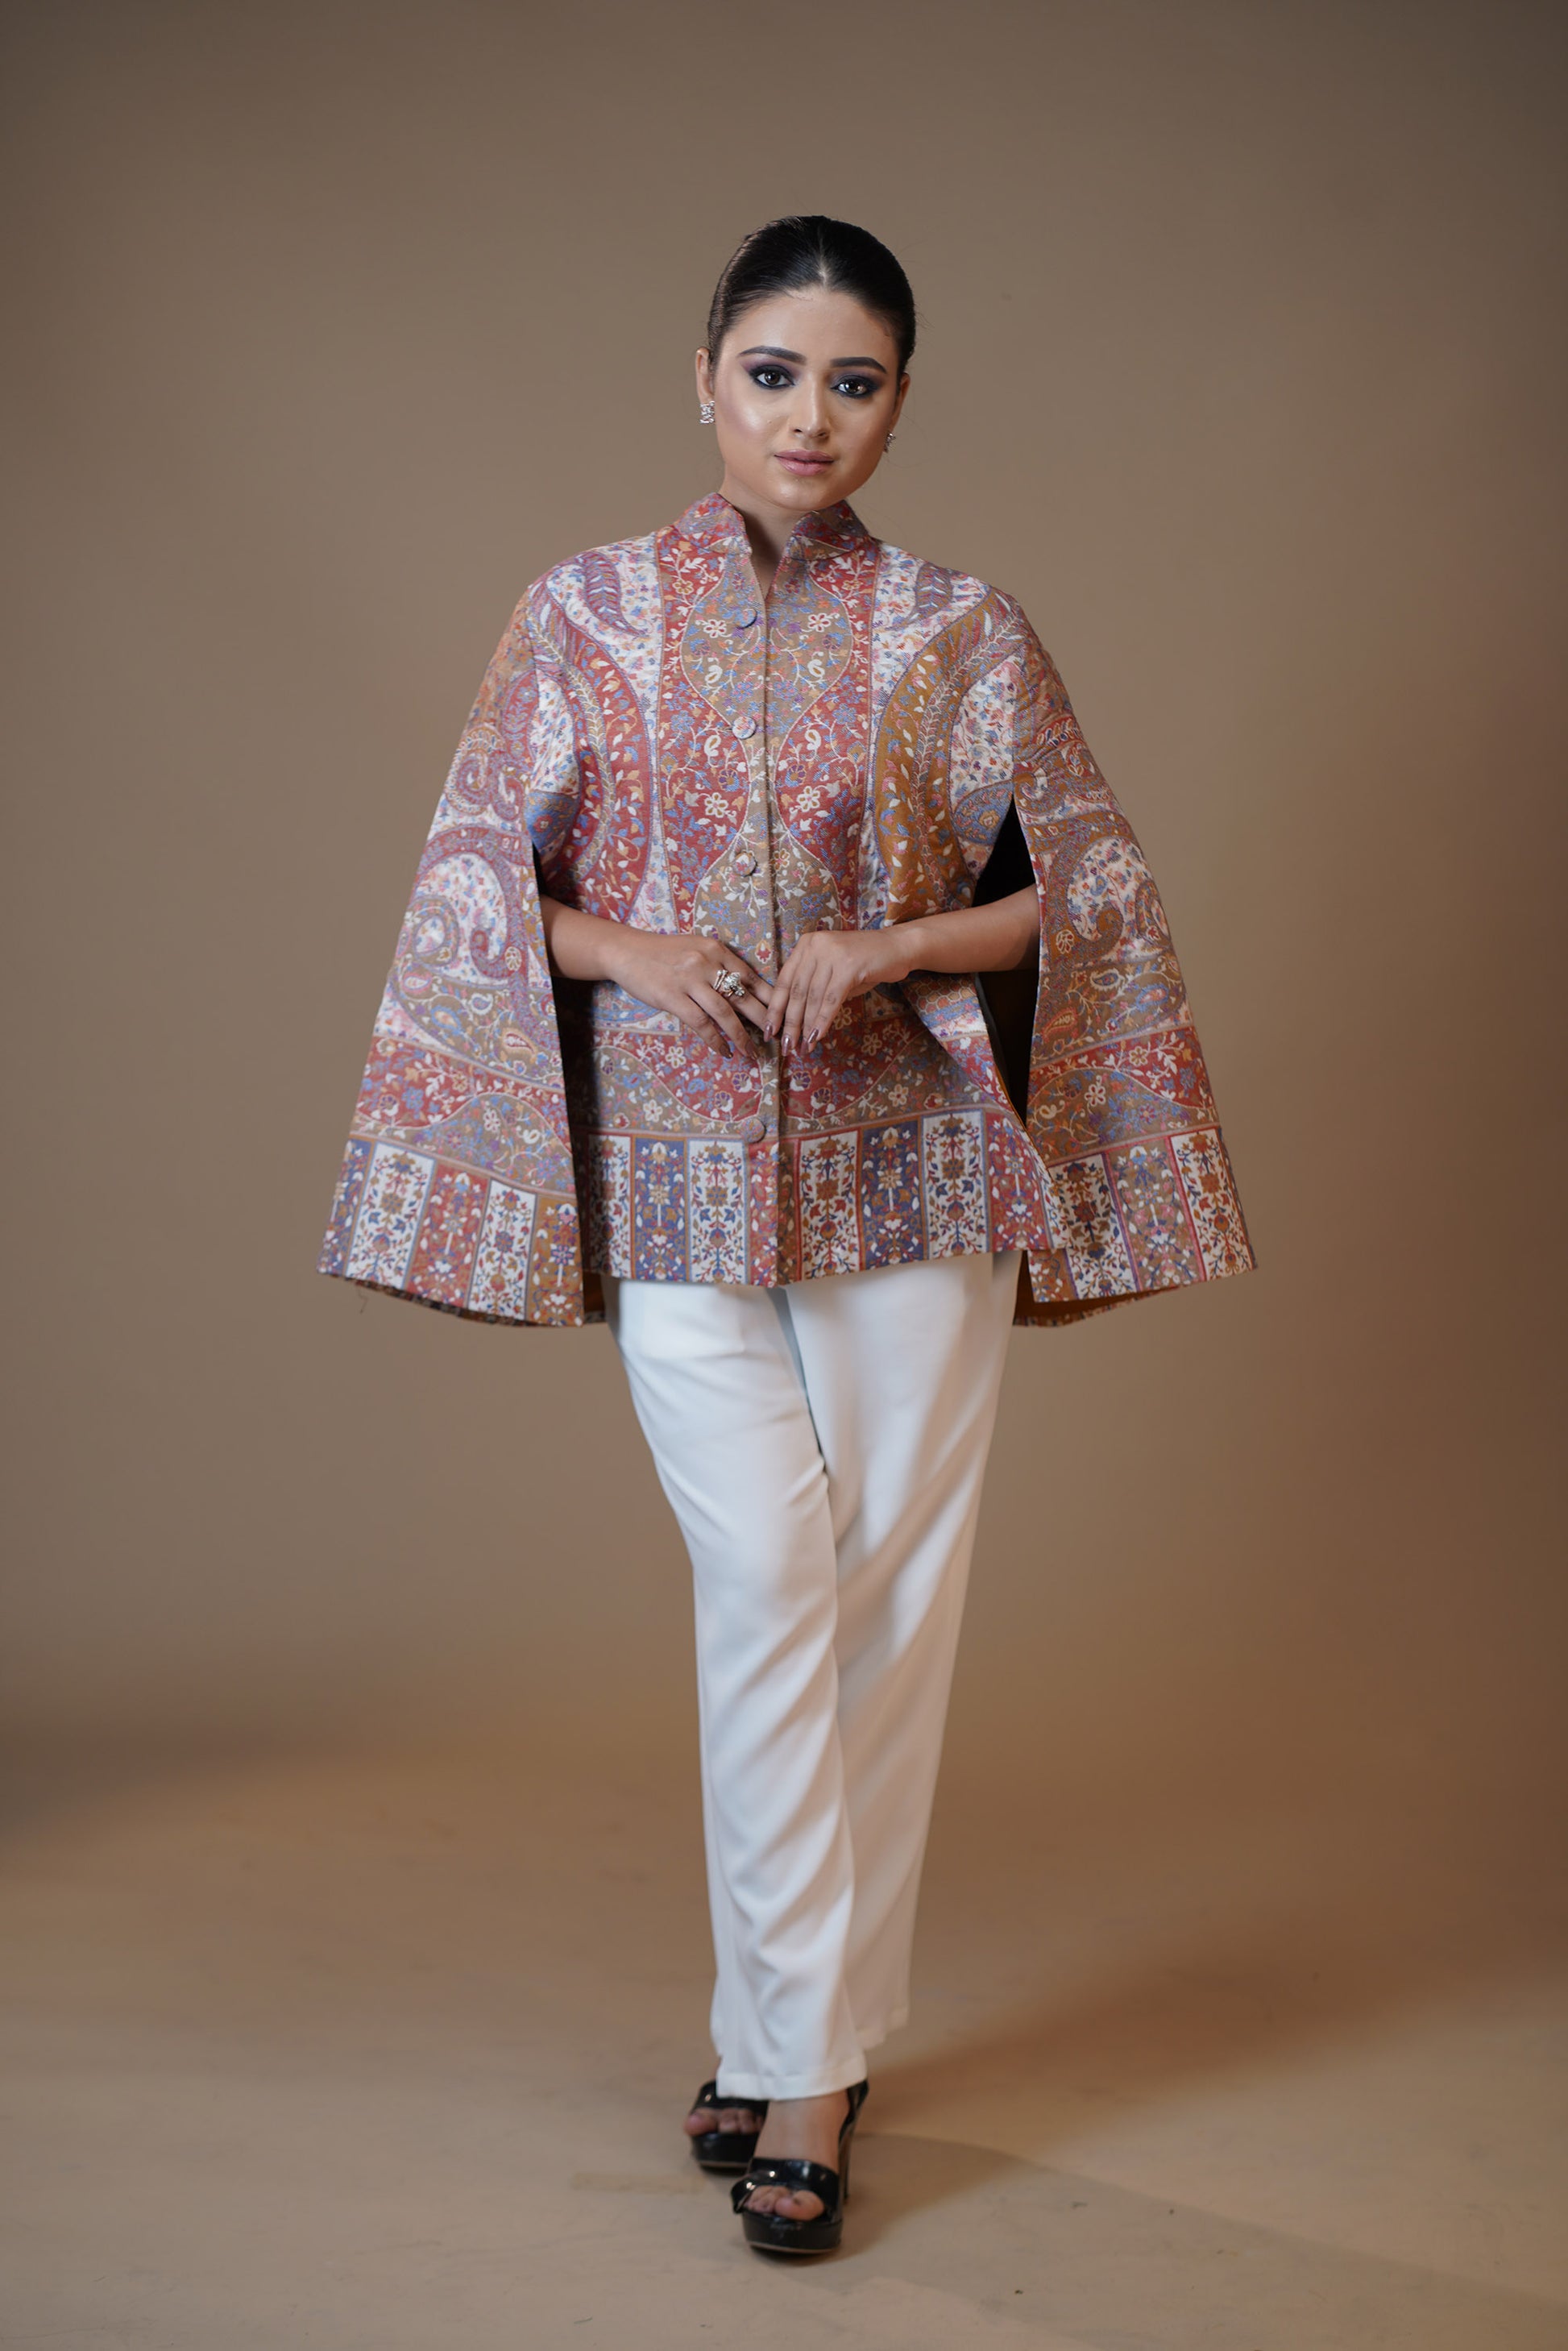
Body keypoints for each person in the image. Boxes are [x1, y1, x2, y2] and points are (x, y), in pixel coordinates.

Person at [317, 215, 1254, 2257]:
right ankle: (792, 2026)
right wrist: (637, 950)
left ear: (899, 400)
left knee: (885, 1606)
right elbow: (478, 881)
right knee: (762, 1579)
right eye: (772, 372)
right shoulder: (578, 616)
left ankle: (796, 2061)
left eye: (854, 380)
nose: (809, 416)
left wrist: (899, 941)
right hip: (673, 1170)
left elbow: (1083, 891)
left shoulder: (958, 628)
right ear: (704, 377)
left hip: (914, 1176)